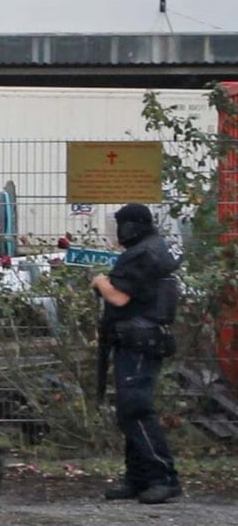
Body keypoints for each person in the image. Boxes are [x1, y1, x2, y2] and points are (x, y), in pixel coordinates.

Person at [91, 203, 182, 505]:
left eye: (123, 224)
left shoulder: (142, 254)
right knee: (131, 411)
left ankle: (161, 477)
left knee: (135, 409)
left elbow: (118, 296)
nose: (120, 231)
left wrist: (101, 282)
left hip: (138, 340)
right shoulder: (155, 249)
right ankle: (138, 477)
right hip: (141, 340)